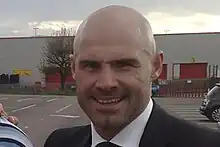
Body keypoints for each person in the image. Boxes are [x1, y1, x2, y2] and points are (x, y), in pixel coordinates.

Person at [1, 5, 220, 147]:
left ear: (155, 66)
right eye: (91, 65)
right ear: (73, 68)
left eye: (124, 65)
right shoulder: (59, 143)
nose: (106, 83)